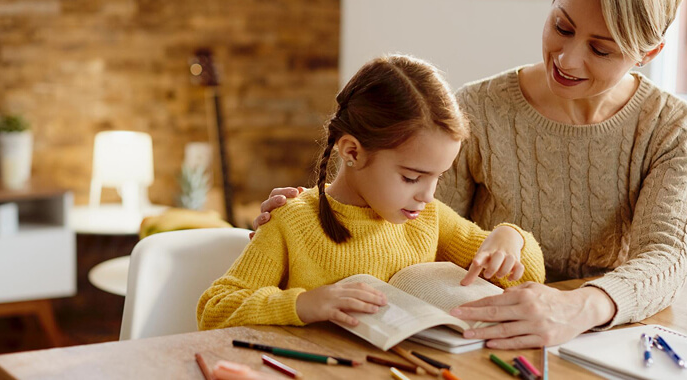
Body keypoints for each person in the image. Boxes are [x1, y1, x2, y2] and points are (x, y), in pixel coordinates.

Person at [252, 0, 687, 349]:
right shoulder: (479, 109)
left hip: (607, 337)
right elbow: (410, 232)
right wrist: (311, 216)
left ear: (648, 52)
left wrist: (578, 307)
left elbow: (665, 257)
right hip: (483, 341)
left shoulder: (671, 128)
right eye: (561, 27)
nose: (567, 60)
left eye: (601, 49)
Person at [197, 55, 546, 331]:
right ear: (352, 152)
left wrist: (509, 238)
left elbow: (531, 277)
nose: (427, 194)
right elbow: (215, 309)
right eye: (412, 177)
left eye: (438, 177)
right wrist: (303, 304)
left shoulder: (429, 218)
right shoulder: (291, 221)